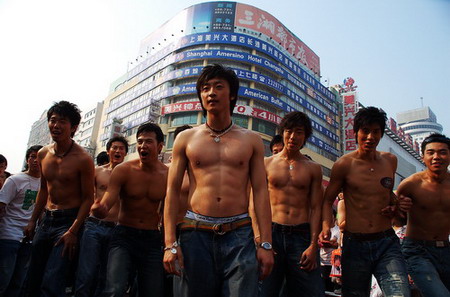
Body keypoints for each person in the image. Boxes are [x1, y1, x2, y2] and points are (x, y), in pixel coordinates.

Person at [163, 64, 274, 297]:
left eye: (218, 87)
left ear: (232, 94)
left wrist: (265, 243)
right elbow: (172, 191)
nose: (211, 92)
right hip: (195, 232)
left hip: (240, 234)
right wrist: (170, 243)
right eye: (205, 88)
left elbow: (261, 192)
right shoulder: (186, 138)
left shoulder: (251, 140)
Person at [321, 106, 411, 297]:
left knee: (400, 293)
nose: (370, 137)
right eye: (365, 131)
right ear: (355, 133)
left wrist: (395, 204)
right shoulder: (344, 165)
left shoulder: (390, 161)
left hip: (386, 241)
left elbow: (387, 194)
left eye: (376, 132)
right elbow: (327, 199)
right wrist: (325, 226)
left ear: (381, 134)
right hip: (355, 244)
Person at [23, 101, 95, 297]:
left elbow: (88, 199)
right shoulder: (43, 153)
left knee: (53, 280)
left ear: (73, 127)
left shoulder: (83, 159)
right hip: (46, 220)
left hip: (68, 223)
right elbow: (44, 191)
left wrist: (73, 230)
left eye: (62, 121)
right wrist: (32, 220)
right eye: (53, 120)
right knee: (31, 276)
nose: (55, 125)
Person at [92, 122, 167, 297]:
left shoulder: (168, 175)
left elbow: (168, 211)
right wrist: (100, 209)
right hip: (124, 235)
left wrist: (169, 243)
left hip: (152, 239)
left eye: (148, 142)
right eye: (140, 141)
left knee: (153, 291)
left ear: (160, 146)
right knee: (115, 290)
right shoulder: (124, 170)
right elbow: (107, 201)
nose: (143, 146)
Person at [259, 111, 324, 297]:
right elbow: (256, 203)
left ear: (305, 137)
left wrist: (313, 245)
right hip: (271, 234)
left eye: (299, 132)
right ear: (282, 132)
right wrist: (261, 240)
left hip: (301, 237)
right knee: (266, 290)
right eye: (289, 131)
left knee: (313, 292)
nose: (293, 137)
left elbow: (316, 207)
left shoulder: (313, 168)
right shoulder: (266, 163)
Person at [75, 136, 128, 297]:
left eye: (121, 148)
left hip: (117, 229)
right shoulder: (97, 172)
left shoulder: (130, 175)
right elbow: (87, 197)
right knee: (86, 271)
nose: (118, 151)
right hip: (94, 226)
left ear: (126, 153)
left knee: (107, 275)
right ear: (108, 151)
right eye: (115, 148)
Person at [397, 133, 450, 296]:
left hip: (446, 249)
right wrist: (400, 208)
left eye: (442, 152)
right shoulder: (410, 184)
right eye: (431, 152)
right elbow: (397, 220)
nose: (436, 157)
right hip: (417, 250)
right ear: (423, 157)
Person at [0, 145, 42, 297]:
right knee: (3, 278)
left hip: (29, 238)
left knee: (19, 281)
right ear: (27, 159)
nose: (36, 160)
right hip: (9, 235)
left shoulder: (46, 184)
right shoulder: (15, 180)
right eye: (32, 156)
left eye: (40, 156)